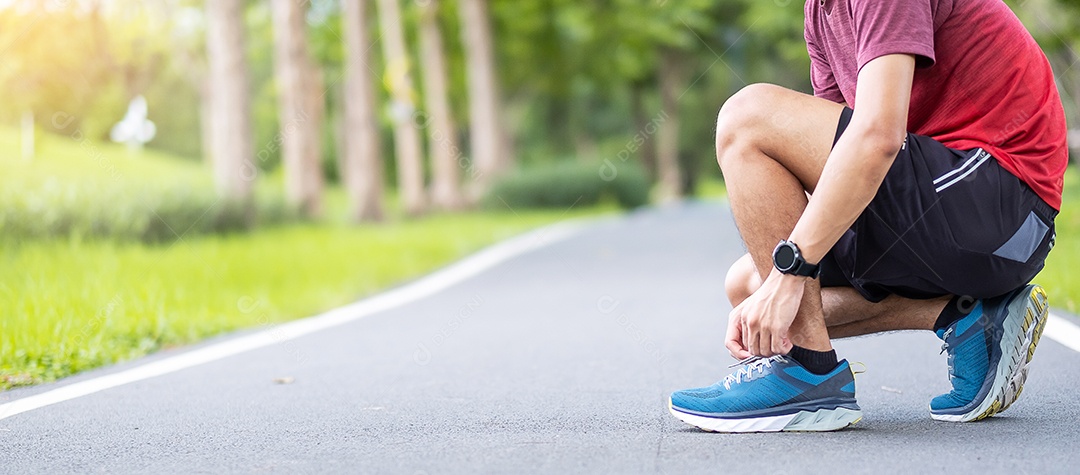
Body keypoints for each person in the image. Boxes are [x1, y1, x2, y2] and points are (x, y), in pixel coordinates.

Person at [668, 0, 1066, 432]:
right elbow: (834, 162)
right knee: (747, 286)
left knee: (746, 118)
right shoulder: (819, 12)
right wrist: (774, 281)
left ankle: (806, 373)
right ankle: (963, 314)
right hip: (947, 214)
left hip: (1001, 207)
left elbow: (876, 137)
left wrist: (789, 273)